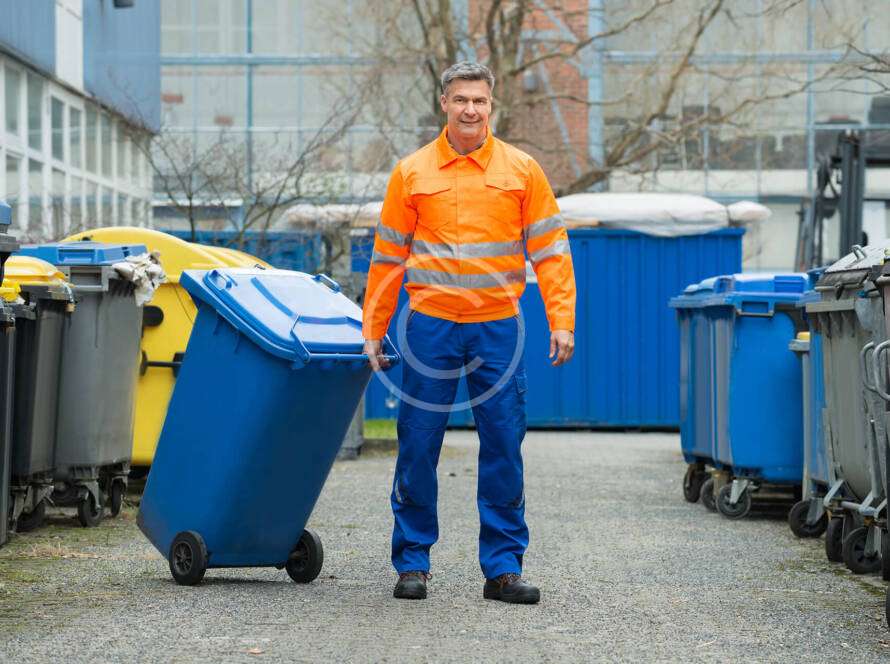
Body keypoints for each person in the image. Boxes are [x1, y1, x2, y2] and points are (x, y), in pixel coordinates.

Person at [362, 61, 576, 604]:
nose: (470, 109)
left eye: (479, 100)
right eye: (460, 99)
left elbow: (551, 252)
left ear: (491, 104)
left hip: (497, 327)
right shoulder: (412, 173)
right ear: (444, 103)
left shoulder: (522, 170)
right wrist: (374, 329)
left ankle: (503, 569)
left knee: (503, 444)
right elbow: (387, 259)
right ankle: (412, 563)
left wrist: (562, 320)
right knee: (418, 443)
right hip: (430, 326)